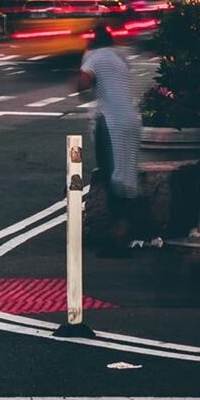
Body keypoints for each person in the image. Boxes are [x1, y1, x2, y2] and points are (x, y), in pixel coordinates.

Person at [80, 21, 141, 247]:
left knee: (110, 175)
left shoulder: (95, 56)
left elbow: (83, 84)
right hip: (131, 120)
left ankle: (119, 231)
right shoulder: (119, 56)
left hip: (110, 121)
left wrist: (83, 62)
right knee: (127, 174)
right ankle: (128, 228)